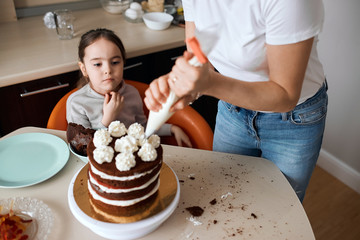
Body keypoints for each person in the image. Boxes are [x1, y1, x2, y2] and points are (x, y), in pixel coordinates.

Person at [144, 0, 328, 202]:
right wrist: (180, 83)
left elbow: (285, 96)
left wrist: (208, 84)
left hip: (292, 121)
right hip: (232, 110)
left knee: (278, 208)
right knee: (224, 198)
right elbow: (199, 58)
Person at [66, 28, 191, 147]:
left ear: (123, 63)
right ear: (84, 69)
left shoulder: (132, 93)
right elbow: (82, 145)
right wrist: (107, 120)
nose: (108, 70)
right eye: (97, 64)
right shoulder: (77, 103)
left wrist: (172, 129)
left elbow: (141, 128)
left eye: (115, 62)